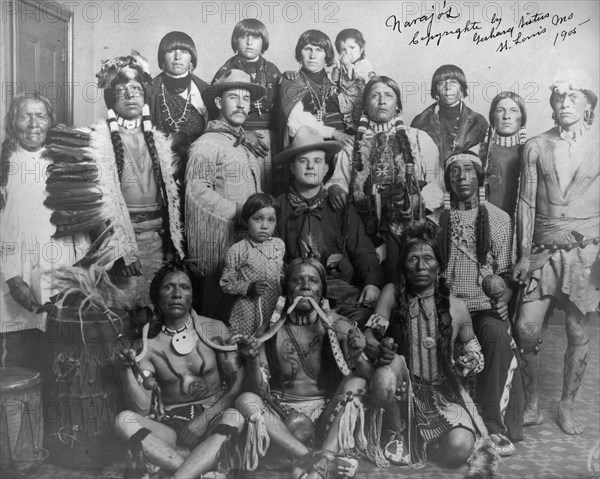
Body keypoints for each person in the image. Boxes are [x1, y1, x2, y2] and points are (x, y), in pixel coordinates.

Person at [360, 222, 498, 475]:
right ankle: (397, 432)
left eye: (428, 259)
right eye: (413, 259)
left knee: (459, 449)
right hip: (403, 389)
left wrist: (469, 361)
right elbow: (369, 335)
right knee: (387, 370)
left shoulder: (457, 307)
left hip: (442, 397)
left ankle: (424, 444)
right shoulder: (391, 293)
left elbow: (477, 355)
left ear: (439, 266)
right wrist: (381, 348)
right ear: (403, 265)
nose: (421, 267)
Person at [512, 69, 599, 435]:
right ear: (551, 104)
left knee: (578, 331)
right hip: (542, 248)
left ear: (588, 106)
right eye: (559, 98)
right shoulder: (535, 145)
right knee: (526, 328)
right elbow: (526, 203)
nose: (565, 104)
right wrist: (521, 254)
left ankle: (566, 404)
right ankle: (531, 402)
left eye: (573, 98)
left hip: (586, 251)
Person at [234, 256, 375, 478]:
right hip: (283, 419)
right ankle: (319, 462)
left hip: (328, 417)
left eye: (313, 281)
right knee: (245, 400)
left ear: (322, 290)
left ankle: (324, 455)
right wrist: (252, 360)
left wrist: (358, 358)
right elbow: (259, 390)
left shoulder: (340, 326)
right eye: (297, 280)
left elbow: (370, 381)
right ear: (286, 289)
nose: (305, 287)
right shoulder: (269, 330)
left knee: (356, 383)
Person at [429, 151, 523, 456]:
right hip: (446, 306)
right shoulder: (434, 221)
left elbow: (505, 273)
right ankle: (439, 419)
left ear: (479, 177)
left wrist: (505, 294)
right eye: (455, 172)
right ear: (447, 180)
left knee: (496, 335)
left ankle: (493, 422)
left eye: (468, 171)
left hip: (483, 306)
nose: (462, 178)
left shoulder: (498, 219)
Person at [114, 261, 245, 479]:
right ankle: (199, 466)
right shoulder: (146, 344)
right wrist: (126, 370)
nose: (176, 294)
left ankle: (177, 475)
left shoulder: (214, 329)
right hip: (171, 427)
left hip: (214, 418)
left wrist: (204, 420)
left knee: (236, 417)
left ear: (193, 296)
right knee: (123, 420)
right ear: (156, 296)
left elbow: (237, 384)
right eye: (168, 287)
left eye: (184, 287)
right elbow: (143, 409)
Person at [88, 53, 184, 311]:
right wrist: (120, 248)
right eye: (122, 90)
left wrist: (171, 244)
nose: (130, 95)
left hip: (155, 237)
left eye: (136, 89)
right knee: (120, 310)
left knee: (153, 310)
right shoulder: (98, 143)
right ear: (110, 97)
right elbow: (97, 204)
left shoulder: (159, 142)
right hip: (118, 240)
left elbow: (171, 200)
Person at [328, 76, 440, 279]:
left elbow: (436, 187)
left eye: (388, 95)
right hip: (365, 230)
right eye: (375, 95)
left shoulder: (418, 139)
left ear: (397, 104)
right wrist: (335, 188)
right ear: (365, 105)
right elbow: (339, 180)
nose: (381, 101)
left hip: (410, 226)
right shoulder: (352, 144)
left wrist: (410, 204)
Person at [274, 126, 385, 327]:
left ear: (325, 169)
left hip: (337, 288)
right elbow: (269, 259)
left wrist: (372, 282)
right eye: (302, 161)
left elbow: (363, 250)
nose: (310, 167)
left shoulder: (340, 207)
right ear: (292, 168)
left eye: (317, 162)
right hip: (294, 288)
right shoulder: (277, 208)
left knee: (365, 319)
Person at [0, 92, 79, 368]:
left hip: (60, 276)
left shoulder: (64, 162)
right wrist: (13, 280)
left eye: (41, 116)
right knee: (23, 360)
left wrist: (77, 277)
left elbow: (76, 222)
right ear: (13, 123)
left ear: (50, 123)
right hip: (17, 279)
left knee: (62, 360)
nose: (34, 123)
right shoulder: (4, 165)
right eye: (25, 116)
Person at [186, 69, 266, 321]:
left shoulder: (246, 146)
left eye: (246, 98)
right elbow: (196, 193)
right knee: (220, 314)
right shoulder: (206, 144)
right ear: (219, 103)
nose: (241, 104)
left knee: (249, 313)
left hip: (249, 245)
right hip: (220, 246)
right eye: (234, 97)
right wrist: (241, 212)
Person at [279, 29, 354, 195]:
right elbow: (295, 123)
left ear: (326, 55)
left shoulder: (335, 81)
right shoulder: (291, 82)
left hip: (342, 151)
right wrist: (334, 133)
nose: (313, 56)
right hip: (310, 152)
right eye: (307, 49)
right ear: (300, 53)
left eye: (319, 50)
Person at [212, 18, 282, 192]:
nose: (250, 42)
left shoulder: (272, 70)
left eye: (256, 37)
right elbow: (216, 112)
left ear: (263, 42)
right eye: (244, 36)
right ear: (236, 40)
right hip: (239, 136)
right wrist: (241, 133)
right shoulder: (226, 70)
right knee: (247, 190)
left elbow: (283, 109)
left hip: (272, 141)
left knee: (273, 188)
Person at [220, 193, 285, 336]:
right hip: (247, 312)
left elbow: (279, 272)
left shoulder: (279, 246)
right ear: (246, 220)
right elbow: (226, 283)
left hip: (274, 308)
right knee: (246, 345)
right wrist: (248, 287)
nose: (264, 226)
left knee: (270, 343)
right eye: (258, 219)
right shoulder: (238, 250)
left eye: (271, 220)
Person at [147, 31, 209, 174]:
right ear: (162, 59)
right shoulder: (148, 91)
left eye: (184, 51)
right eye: (171, 51)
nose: (177, 57)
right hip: (158, 165)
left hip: (198, 164)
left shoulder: (207, 92)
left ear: (192, 60)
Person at [411, 64, 488, 167]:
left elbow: (486, 162)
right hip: (431, 180)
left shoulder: (478, 122)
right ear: (436, 90)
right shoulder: (420, 121)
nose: (447, 87)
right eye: (441, 83)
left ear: (462, 88)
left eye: (453, 82)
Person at [480, 91, 528, 218]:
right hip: (487, 221)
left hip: (521, 222)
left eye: (514, 110)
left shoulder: (531, 152)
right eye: (500, 110)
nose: (507, 116)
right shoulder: (479, 152)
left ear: (522, 117)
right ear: (492, 116)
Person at [331, 28, 376, 133]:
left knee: (360, 121)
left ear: (361, 49)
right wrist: (337, 68)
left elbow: (352, 80)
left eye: (352, 47)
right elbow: (334, 80)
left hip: (359, 99)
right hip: (346, 99)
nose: (347, 52)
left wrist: (348, 66)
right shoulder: (343, 64)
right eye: (343, 49)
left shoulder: (364, 64)